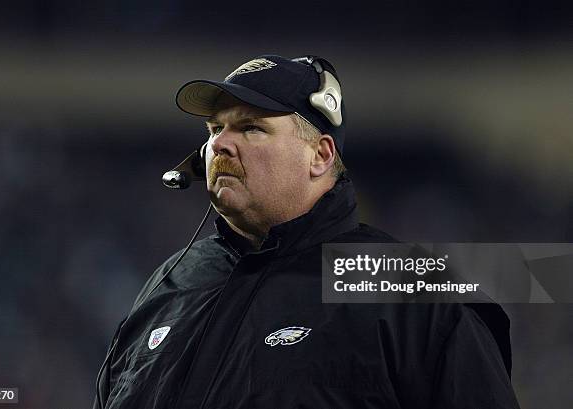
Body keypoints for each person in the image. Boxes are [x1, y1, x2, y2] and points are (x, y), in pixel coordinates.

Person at [93, 55, 520, 409]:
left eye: (251, 127)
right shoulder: (171, 282)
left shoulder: (411, 290)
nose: (220, 144)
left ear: (319, 155)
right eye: (214, 129)